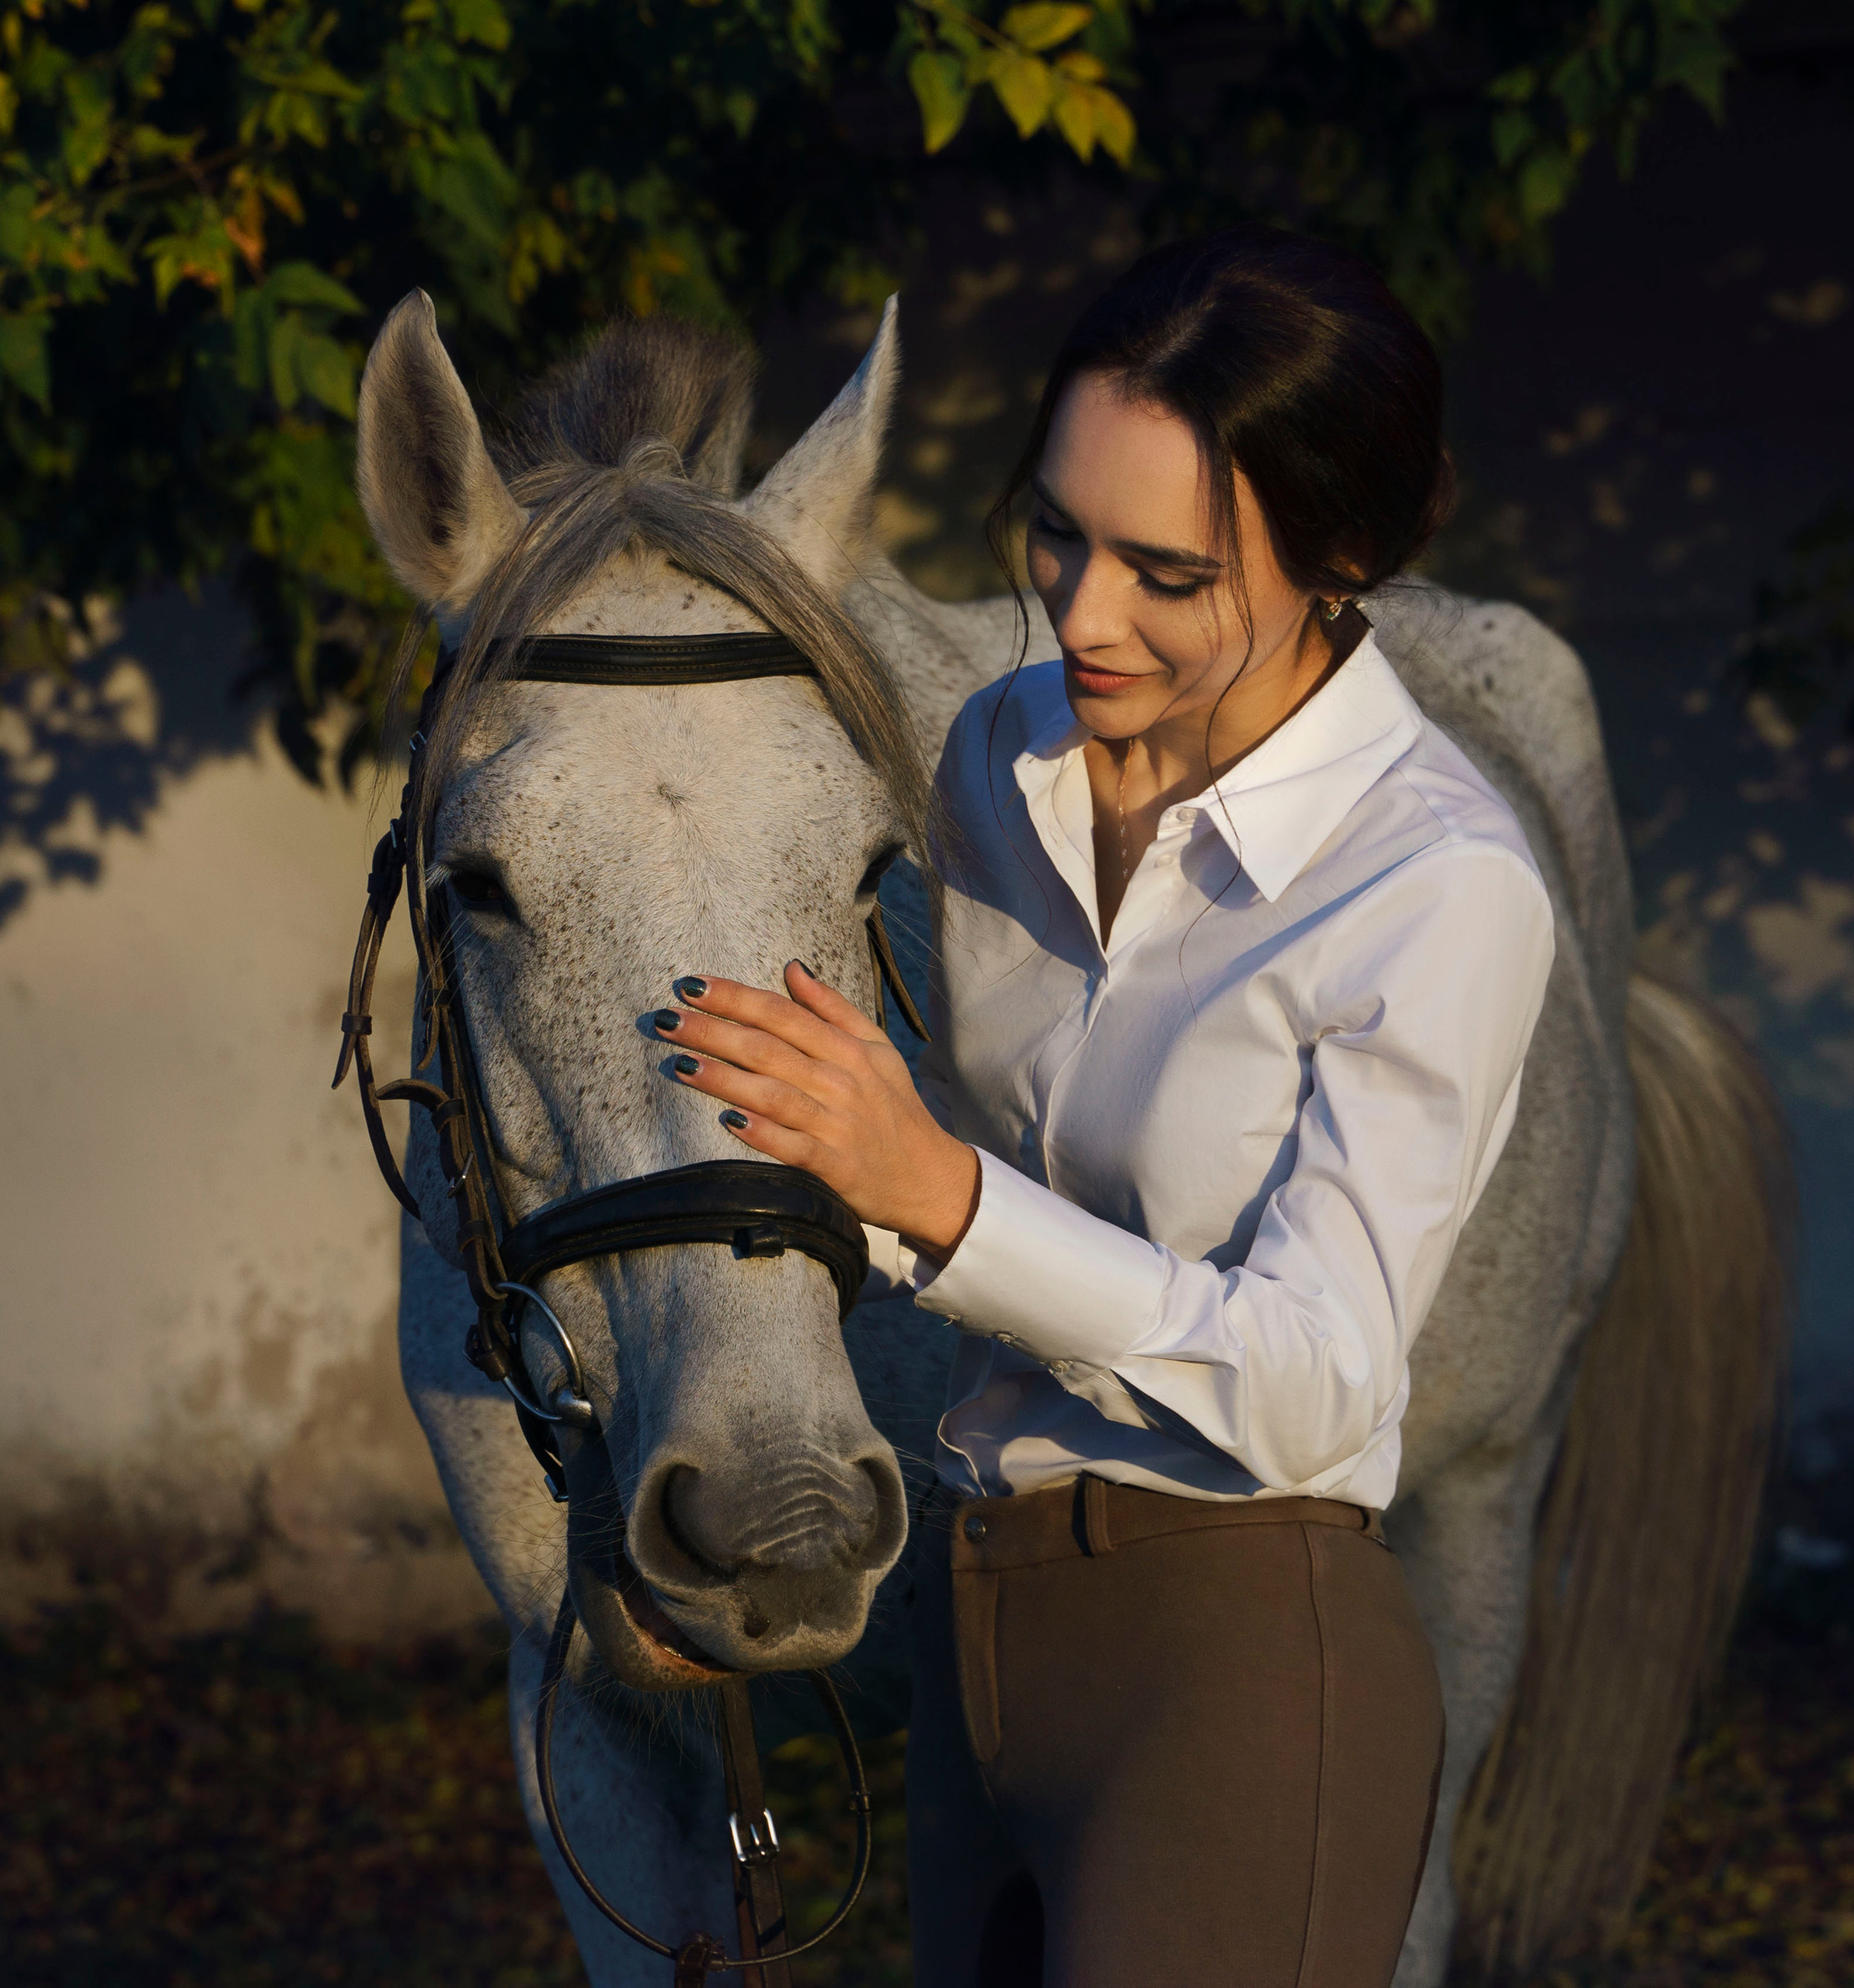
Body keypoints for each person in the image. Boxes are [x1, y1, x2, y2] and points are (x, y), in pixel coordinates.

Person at [652, 226, 1555, 1986]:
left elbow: (1318, 1384)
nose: (1079, 613)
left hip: (1242, 1654)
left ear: (1341, 560)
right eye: (1054, 532)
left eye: (1166, 569)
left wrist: (939, 1194)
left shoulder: (1433, 882)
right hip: (975, 1633)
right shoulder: (999, 757)